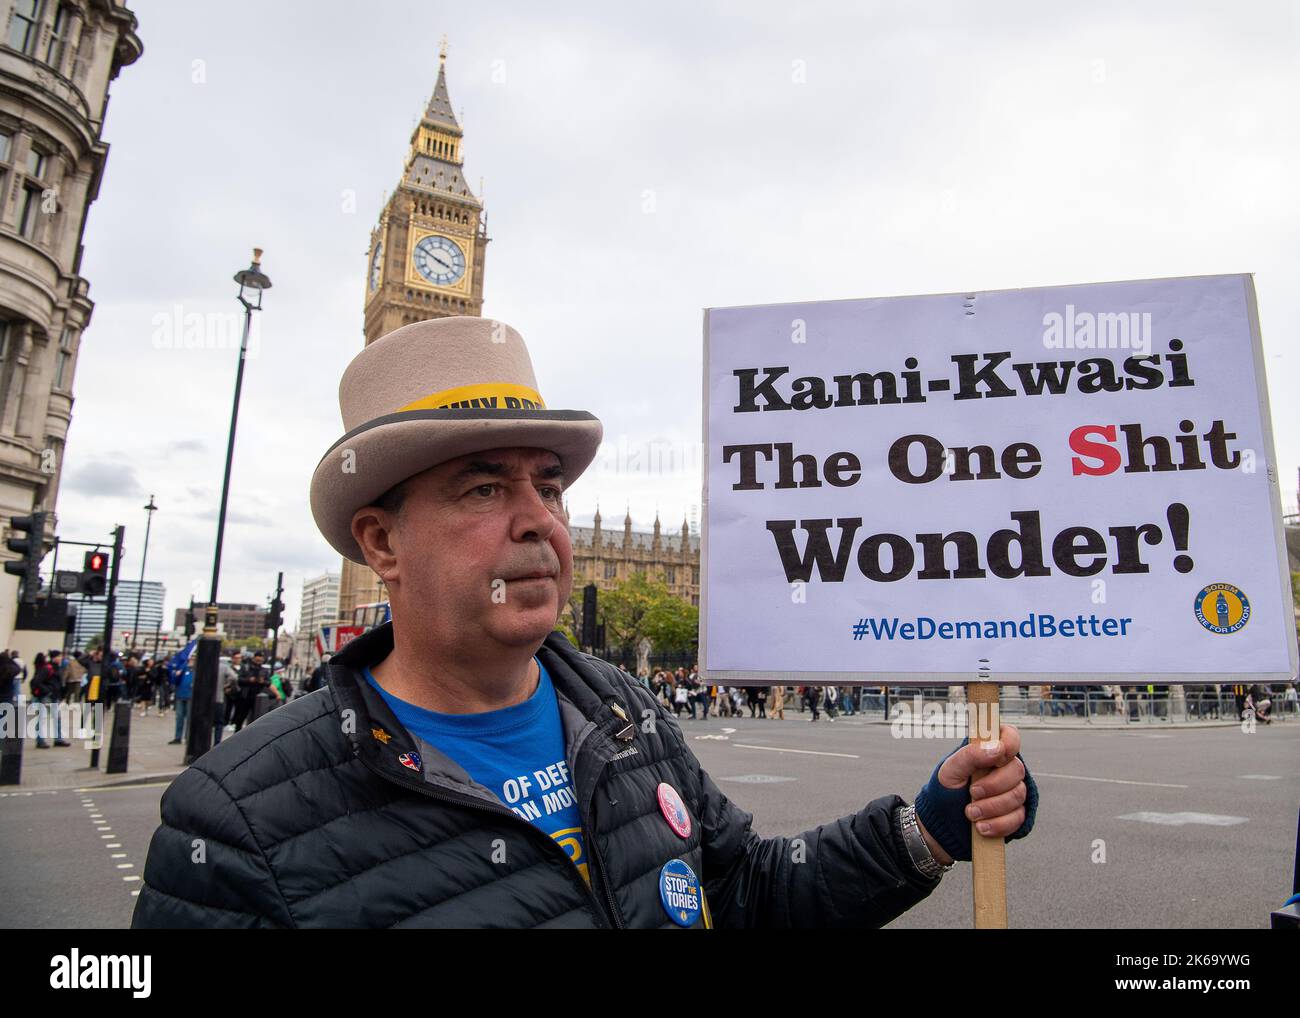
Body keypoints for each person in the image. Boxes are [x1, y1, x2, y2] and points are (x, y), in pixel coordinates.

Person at [134, 316, 1037, 929]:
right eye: (485, 487)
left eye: (550, 486)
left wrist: (924, 831)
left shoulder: (626, 716)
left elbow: (743, 895)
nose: (539, 520)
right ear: (381, 540)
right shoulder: (236, 824)